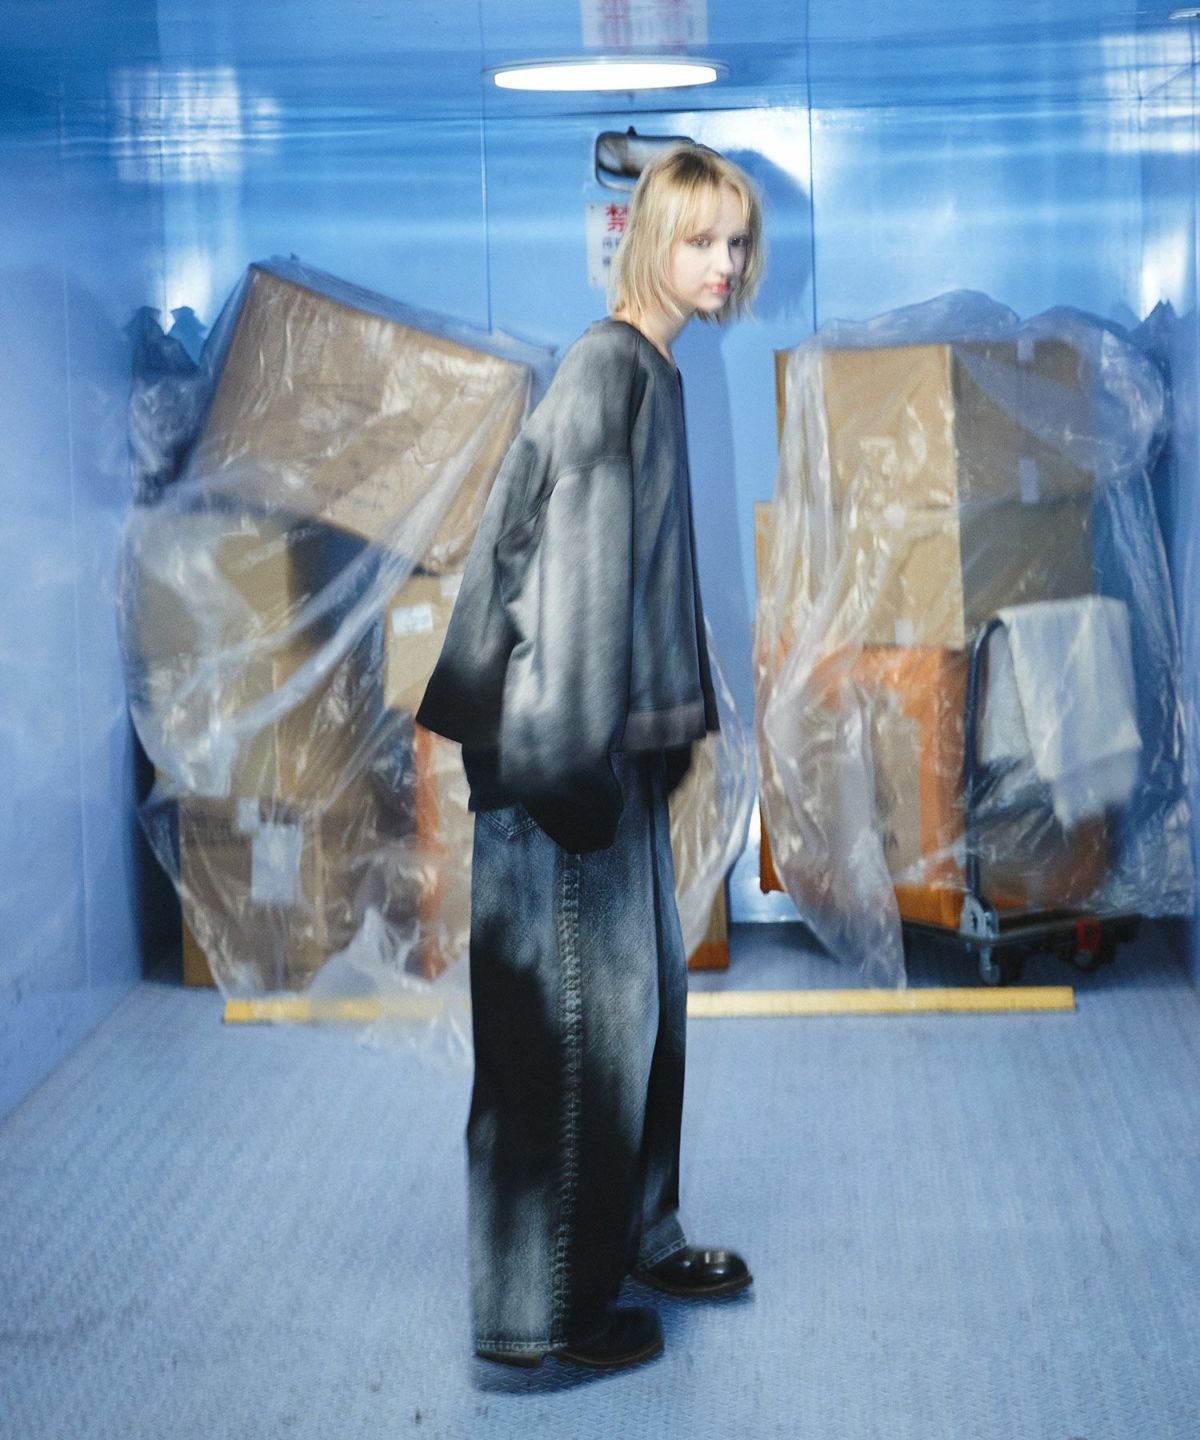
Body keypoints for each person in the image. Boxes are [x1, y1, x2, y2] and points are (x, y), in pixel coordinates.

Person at [415, 142, 765, 1371]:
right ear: (649, 242)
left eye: (736, 242)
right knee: (567, 1042)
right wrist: (574, 780)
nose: (723, 264)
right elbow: (562, 587)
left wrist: (661, 755)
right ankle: (540, 1322)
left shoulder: (652, 368)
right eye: (699, 240)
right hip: (562, 768)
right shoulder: (609, 366)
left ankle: (636, 1238)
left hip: (613, 759)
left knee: (643, 1018)